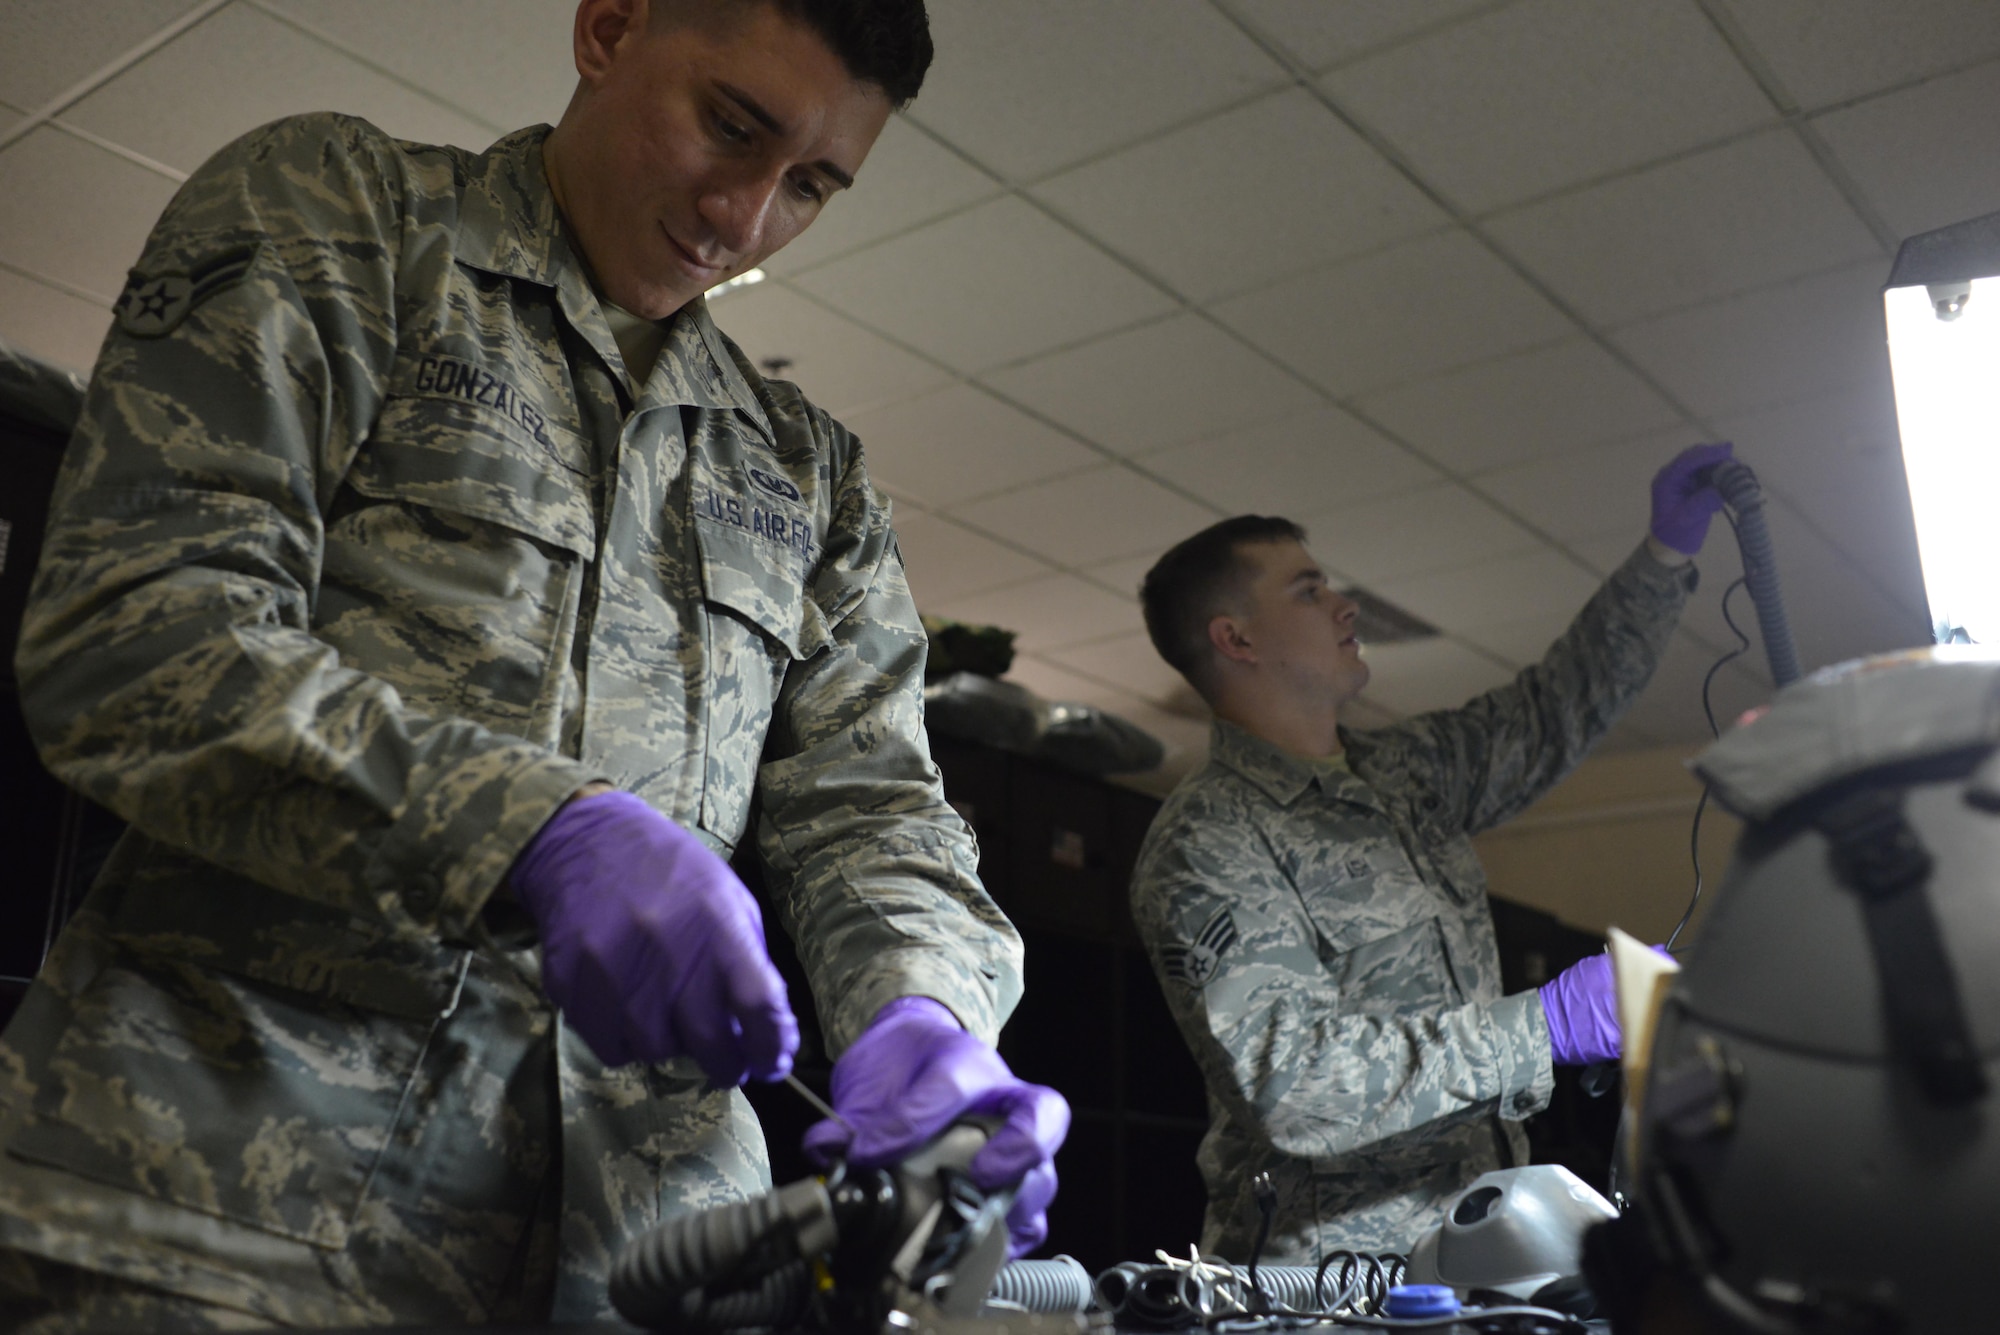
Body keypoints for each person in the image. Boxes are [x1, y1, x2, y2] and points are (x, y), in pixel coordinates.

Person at [0, 0, 1066, 1327]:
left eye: (811, 185)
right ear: (608, 31)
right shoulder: (348, 216)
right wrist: (532, 831)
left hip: (641, 1262)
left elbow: (875, 808)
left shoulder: (806, 471)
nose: (745, 218)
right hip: (217, 1205)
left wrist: (928, 1017)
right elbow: (136, 623)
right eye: (732, 127)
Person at [1127, 444, 1730, 1265]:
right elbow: (1295, 1084)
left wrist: (1665, 556)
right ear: (1235, 638)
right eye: (1309, 591)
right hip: (1333, 1288)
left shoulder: (1406, 773)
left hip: (1482, 1245)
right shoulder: (1209, 840)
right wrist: (1543, 1026)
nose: (1345, 606)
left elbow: (1552, 710)